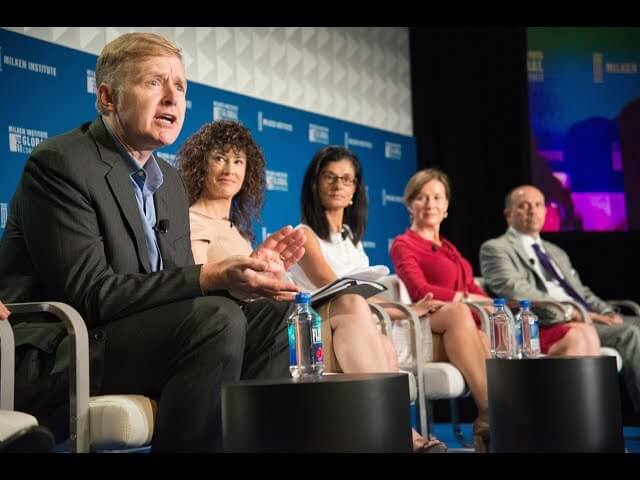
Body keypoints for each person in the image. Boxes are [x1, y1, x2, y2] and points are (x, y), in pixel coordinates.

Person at [0, 32, 307, 452]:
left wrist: (244, 278)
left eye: (179, 87)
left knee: (273, 312)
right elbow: (90, 295)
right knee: (214, 319)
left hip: (134, 338)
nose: (172, 98)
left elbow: (177, 285)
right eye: (153, 83)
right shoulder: (61, 164)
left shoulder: (170, 184)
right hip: (66, 349)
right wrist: (213, 276)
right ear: (108, 98)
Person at [177, 125, 444, 453]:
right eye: (219, 158)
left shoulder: (237, 230)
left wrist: (272, 277)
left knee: (377, 337)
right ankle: (399, 433)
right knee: (353, 309)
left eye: (238, 161)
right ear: (200, 165)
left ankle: (386, 435)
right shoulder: (193, 220)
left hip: (271, 328)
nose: (230, 169)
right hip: (247, 342)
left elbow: (252, 291)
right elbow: (201, 289)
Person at [479, 185, 640, 412]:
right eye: (523, 206)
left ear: (545, 211)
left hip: (587, 317)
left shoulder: (555, 251)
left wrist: (605, 312)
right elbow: (515, 289)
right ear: (508, 214)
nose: (532, 211)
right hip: (550, 322)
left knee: (634, 323)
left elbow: (581, 292)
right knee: (630, 333)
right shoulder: (496, 248)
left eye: (537, 205)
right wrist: (569, 312)